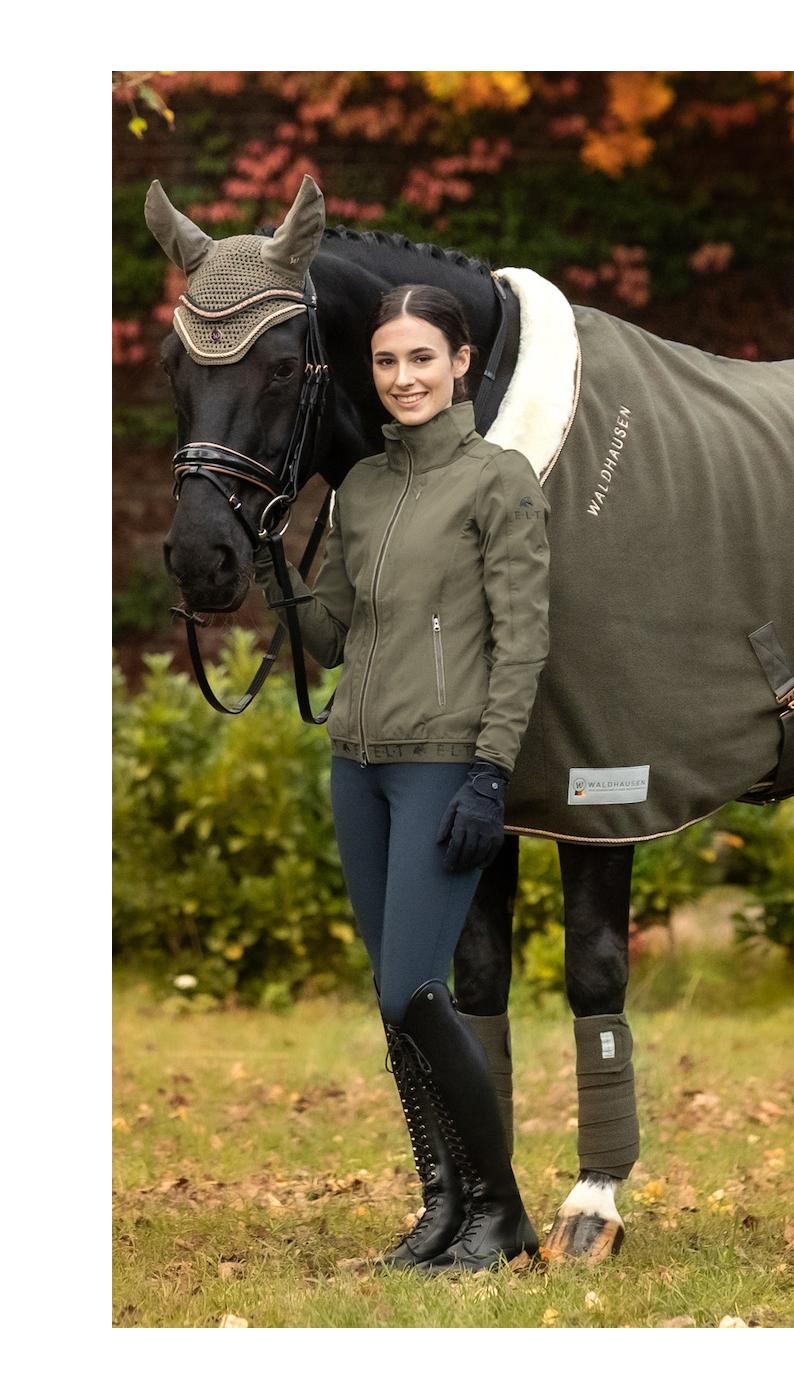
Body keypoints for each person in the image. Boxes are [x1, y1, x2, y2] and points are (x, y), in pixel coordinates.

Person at [254, 282, 549, 1272]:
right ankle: (441, 1206)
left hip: (444, 765)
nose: (404, 377)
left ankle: (499, 1210)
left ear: (460, 363)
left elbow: (523, 642)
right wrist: (279, 566)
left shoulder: (498, 481)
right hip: (360, 766)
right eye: (386, 362)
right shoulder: (362, 490)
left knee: (416, 989)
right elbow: (333, 638)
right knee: (394, 997)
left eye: (422, 357)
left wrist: (490, 775)